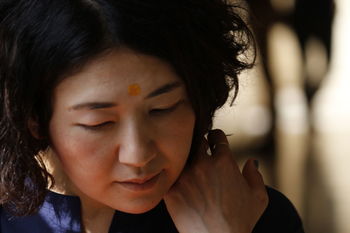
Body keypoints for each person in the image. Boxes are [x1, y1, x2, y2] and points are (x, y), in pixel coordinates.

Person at [0, 0, 304, 232]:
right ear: (34, 119)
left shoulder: (255, 216)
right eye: (99, 123)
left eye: (164, 108)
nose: (139, 155)